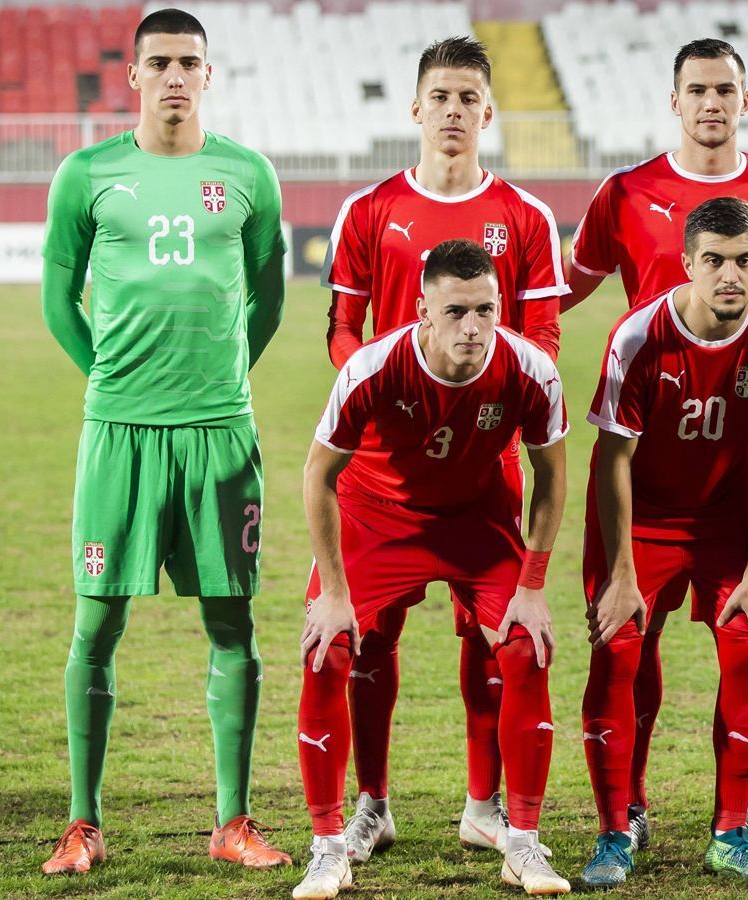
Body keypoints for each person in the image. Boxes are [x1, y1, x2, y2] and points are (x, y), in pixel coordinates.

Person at [561, 37, 748, 855]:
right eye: (698, 89)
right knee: (625, 641)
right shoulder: (627, 192)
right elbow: (571, 284)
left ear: (746, 100)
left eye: (726, 88)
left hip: (738, 462)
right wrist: (486, 325)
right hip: (648, 462)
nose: (713, 102)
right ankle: (629, 810)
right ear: (674, 101)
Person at [38, 7, 290, 875]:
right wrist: (109, 378)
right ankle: (82, 824)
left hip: (220, 434)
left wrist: (222, 383)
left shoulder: (248, 174)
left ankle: (232, 822)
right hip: (119, 434)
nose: (176, 76)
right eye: (161, 63)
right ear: (134, 76)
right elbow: (56, 300)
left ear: (209, 75)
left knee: (233, 621)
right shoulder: (86, 174)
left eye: (190, 62)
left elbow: (269, 297)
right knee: (95, 624)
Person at [319, 34, 568, 859]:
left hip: (486, 463)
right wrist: (394, 392)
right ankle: (372, 804)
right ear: (415, 108)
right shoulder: (370, 210)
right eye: (441, 97)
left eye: (469, 97)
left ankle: (483, 803)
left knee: (489, 637)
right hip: (385, 465)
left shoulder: (526, 218)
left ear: (488, 111)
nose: (454, 111)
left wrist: (476, 399)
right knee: (365, 637)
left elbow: (541, 338)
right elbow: (343, 329)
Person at [294, 240, 570, 898]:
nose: (473, 327)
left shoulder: (529, 369)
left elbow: (554, 478)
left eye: (486, 310)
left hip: (477, 521)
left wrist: (530, 587)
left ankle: (521, 844)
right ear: (423, 311)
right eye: (455, 312)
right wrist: (334, 593)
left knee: (527, 646)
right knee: (327, 647)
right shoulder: (372, 368)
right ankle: (332, 842)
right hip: (377, 515)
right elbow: (317, 475)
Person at [578, 198, 748, 886]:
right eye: (713, 260)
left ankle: (731, 833)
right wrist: (621, 573)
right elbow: (611, 459)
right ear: (686, 263)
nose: (730, 275)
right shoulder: (638, 336)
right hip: (641, 519)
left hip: (727, 521)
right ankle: (615, 831)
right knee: (619, 649)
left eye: (744, 260)